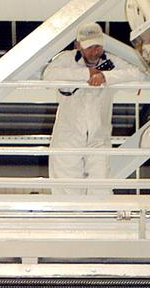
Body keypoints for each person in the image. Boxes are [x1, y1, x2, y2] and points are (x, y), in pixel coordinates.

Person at [43, 23, 142, 198]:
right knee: (67, 188)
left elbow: (137, 75)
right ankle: (69, 223)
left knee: (100, 188)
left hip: (99, 137)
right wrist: (87, 74)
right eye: (89, 47)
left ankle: (98, 221)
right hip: (68, 136)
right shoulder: (65, 60)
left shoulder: (111, 62)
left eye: (97, 45)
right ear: (78, 45)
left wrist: (105, 76)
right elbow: (49, 75)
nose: (94, 51)